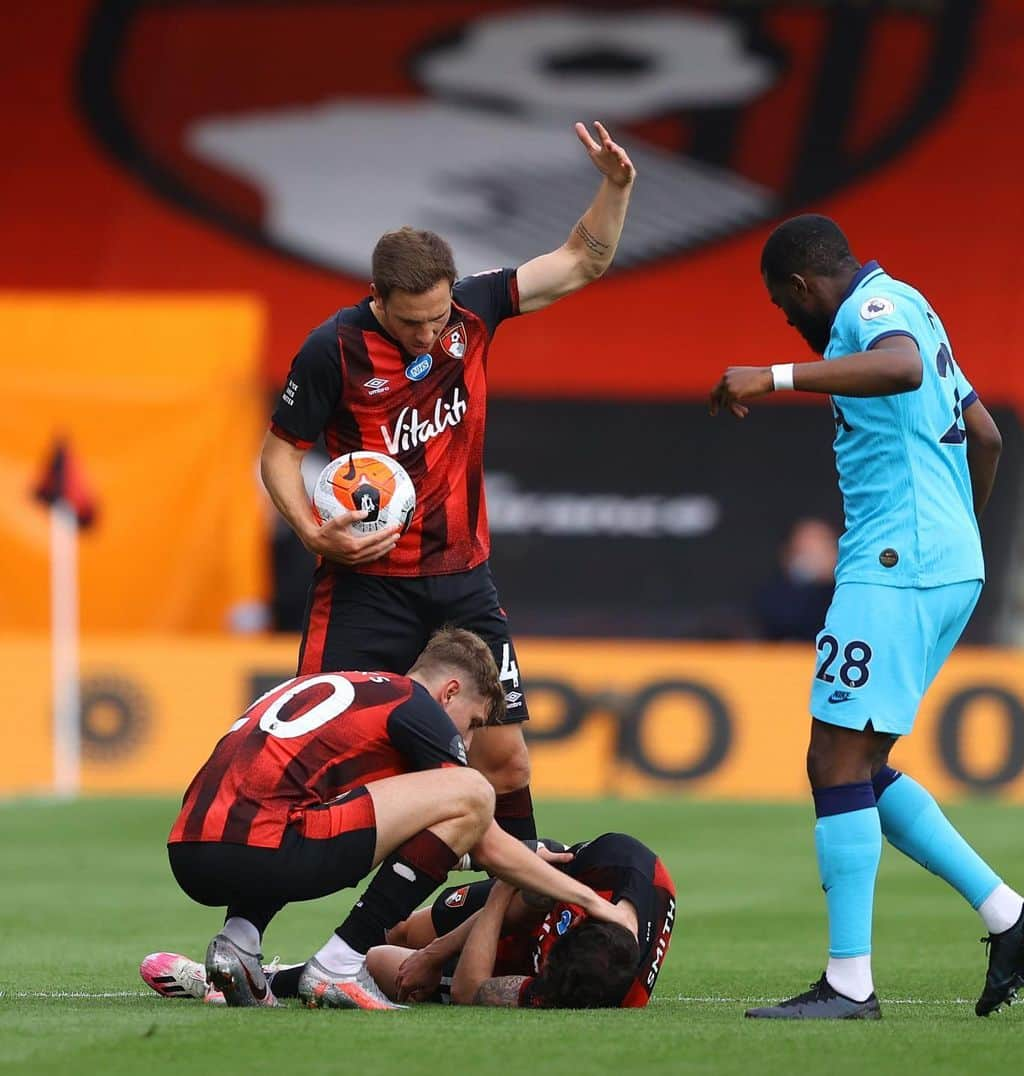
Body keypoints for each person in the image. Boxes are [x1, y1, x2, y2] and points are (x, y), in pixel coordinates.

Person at [709, 214, 1024, 1020]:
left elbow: (901, 372)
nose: (787, 321)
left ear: (802, 286)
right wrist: (959, 541)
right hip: (945, 565)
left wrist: (773, 376)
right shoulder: (914, 303)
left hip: (895, 564)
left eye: (782, 305)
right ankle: (1009, 916)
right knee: (859, 767)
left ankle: (849, 984)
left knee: (833, 762)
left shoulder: (869, 318)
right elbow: (988, 434)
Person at [260, 121, 637, 843]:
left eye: (437, 319)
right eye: (411, 324)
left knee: (508, 764)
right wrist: (312, 532)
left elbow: (580, 261)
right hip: (364, 585)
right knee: (309, 760)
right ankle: (245, 931)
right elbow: (278, 455)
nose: (429, 336)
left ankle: (517, 906)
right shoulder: (330, 350)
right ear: (376, 296)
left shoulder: (475, 307)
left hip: (464, 581)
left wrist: (615, 188)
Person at [165, 627, 624, 1009]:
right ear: (451, 692)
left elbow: (399, 829)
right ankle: (340, 963)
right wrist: (591, 899)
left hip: (190, 852)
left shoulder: (353, 689)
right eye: (475, 722)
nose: (469, 736)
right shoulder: (419, 707)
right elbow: (479, 831)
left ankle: (240, 942)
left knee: (295, 805)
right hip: (265, 850)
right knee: (473, 791)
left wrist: (506, 853)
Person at [143, 832, 676, 1011]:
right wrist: (438, 949)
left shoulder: (590, 987)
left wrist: (430, 967)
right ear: (577, 922)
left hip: (519, 919)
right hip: (527, 894)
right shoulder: (618, 860)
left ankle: (241, 984)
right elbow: (533, 876)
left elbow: (473, 990)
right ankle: (305, 970)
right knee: (402, 933)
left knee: (380, 962)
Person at [755, 516, 839, 641]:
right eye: (805, 551)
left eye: (820, 550)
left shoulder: (848, 592)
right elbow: (782, 621)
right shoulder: (773, 594)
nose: (813, 558)